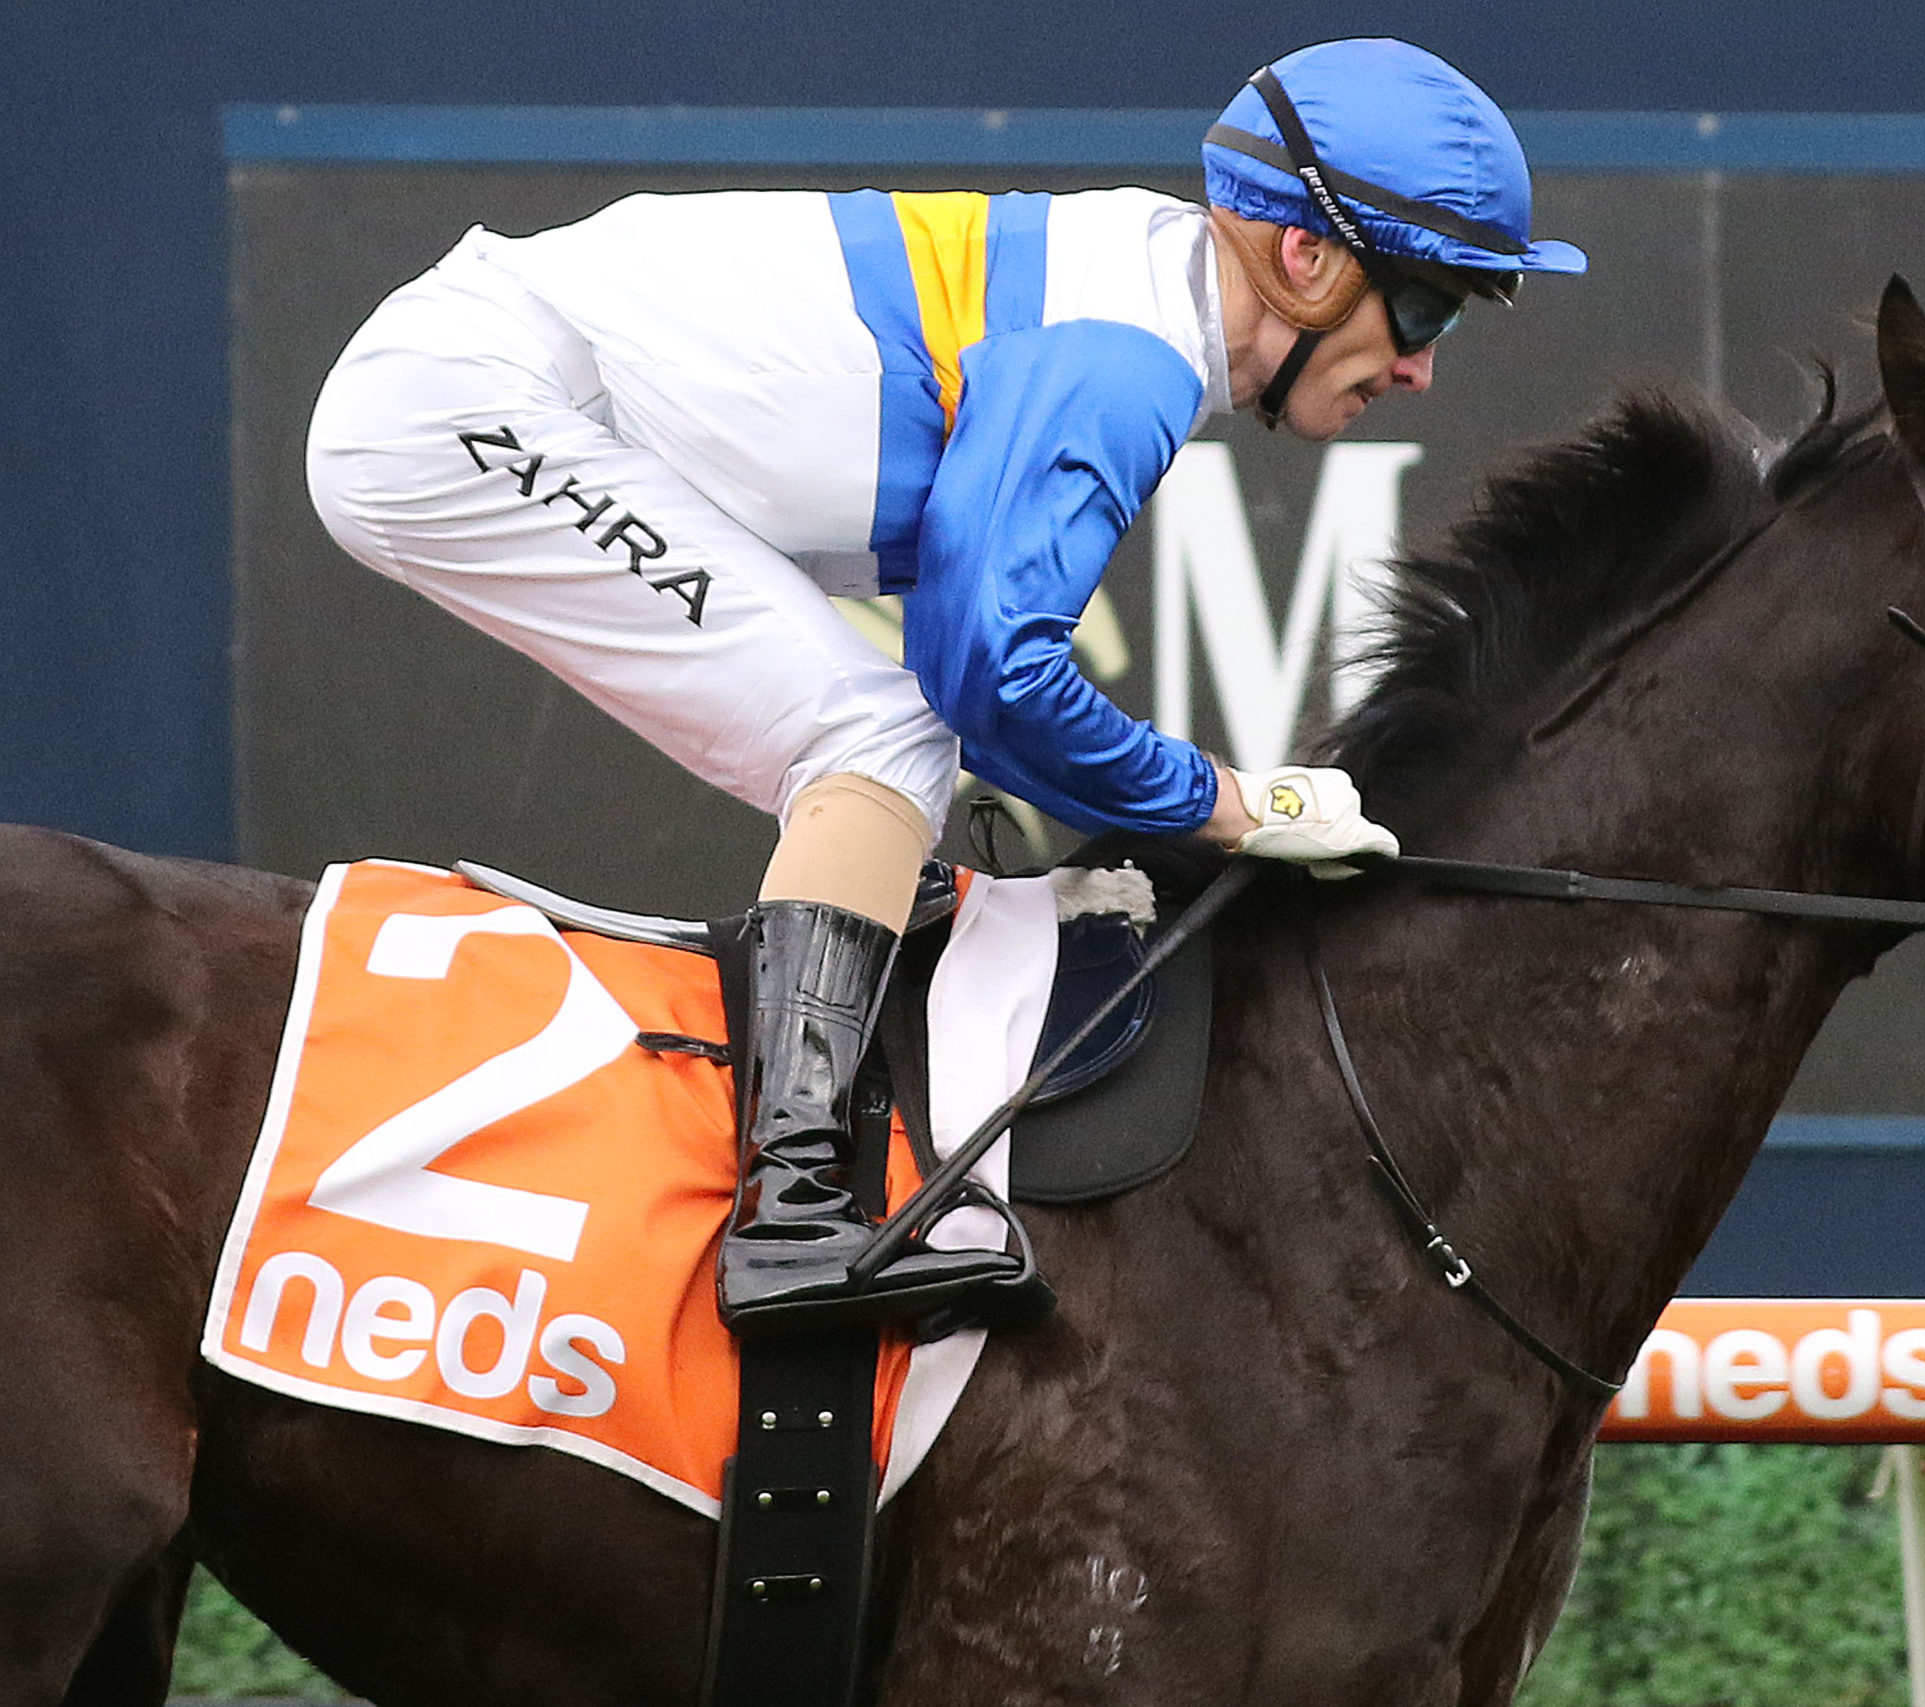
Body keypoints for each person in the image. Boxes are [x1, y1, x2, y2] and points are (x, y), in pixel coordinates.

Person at [304, 38, 1585, 1335]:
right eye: (1425, 309)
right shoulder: (1126, 355)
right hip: (470, 409)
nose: (1420, 368)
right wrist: (1225, 805)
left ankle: (817, 1150)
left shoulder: (1145, 295)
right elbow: (994, 677)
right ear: (1305, 259)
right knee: (879, 738)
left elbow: (969, 665)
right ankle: (791, 1215)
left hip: (481, 385)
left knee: (894, 741)